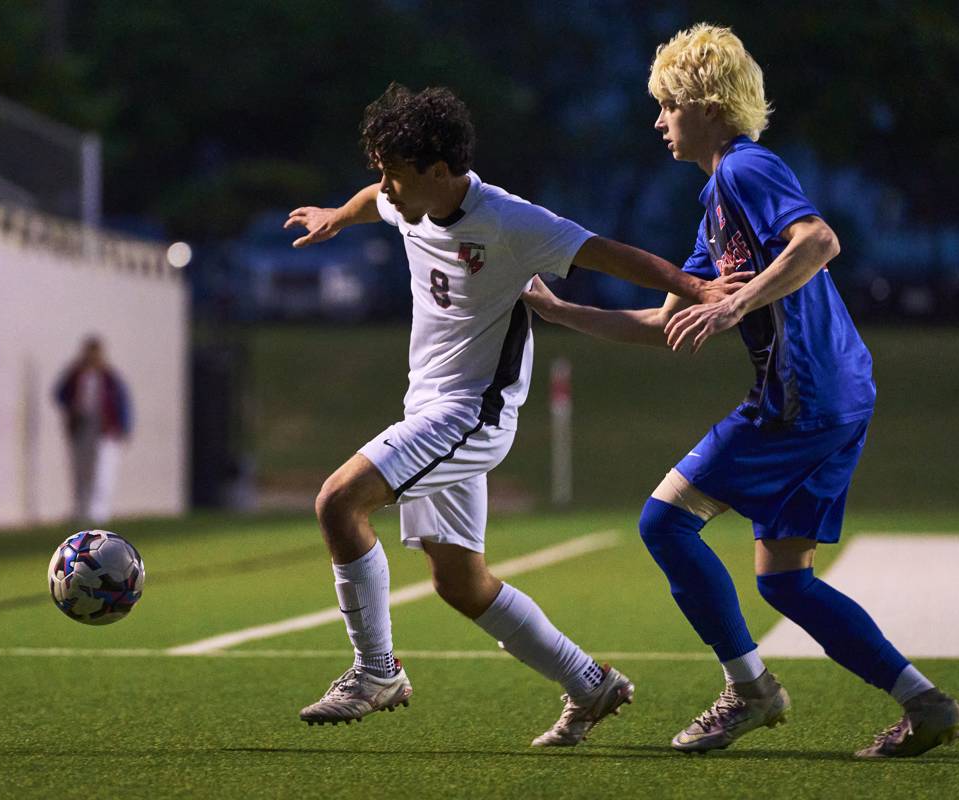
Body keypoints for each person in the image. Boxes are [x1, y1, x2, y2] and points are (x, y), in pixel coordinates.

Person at [523, 23, 959, 758]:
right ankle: (926, 703)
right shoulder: (716, 202)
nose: (658, 120)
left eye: (667, 104)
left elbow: (819, 242)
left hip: (804, 396)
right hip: (838, 391)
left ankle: (752, 691)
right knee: (786, 583)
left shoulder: (745, 170)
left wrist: (736, 304)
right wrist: (558, 310)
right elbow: (663, 321)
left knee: (664, 523)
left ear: (704, 103)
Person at [284, 83, 740, 746]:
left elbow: (607, 253)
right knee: (461, 584)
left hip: (473, 413)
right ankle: (591, 683)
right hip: (428, 408)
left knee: (337, 502)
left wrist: (694, 286)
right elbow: (374, 203)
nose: (385, 187)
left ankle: (375, 671)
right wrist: (336, 213)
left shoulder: (509, 221)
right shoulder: (408, 196)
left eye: (394, 175)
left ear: (440, 172)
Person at [53, 336, 132, 524]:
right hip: (82, 427)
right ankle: (80, 510)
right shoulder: (76, 374)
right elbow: (59, 394)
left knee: (103, 470)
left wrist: (124, 427)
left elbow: (123, 403)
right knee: (80, 470)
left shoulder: (110, 377)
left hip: (105, 429)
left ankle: (98, 513)